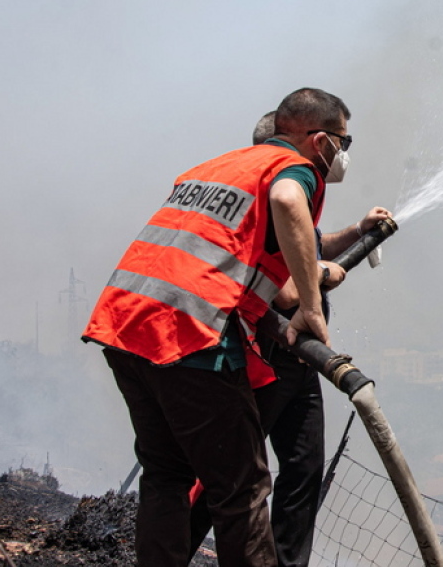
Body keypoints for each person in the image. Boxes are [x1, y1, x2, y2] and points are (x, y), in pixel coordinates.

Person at [83, 88, 361, 567]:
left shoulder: (217, 167)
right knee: (242, 489)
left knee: (166, 474)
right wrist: (312, 308)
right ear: (320, 140)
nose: (344, 153)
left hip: (125, 324)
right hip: (189, 335)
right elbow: (287, 198)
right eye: (344, 140)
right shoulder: (293, 170)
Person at [186, 109, 392, 567]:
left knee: (302, 470)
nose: (341, 153)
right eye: (341, 141)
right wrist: (317, 277)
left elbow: (313, 244)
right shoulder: (268, 199)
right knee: (233, 476)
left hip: (302, 362)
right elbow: (278, 287)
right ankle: (178, 549)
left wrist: (359, 231)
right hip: (265, 359)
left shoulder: (294, 203)